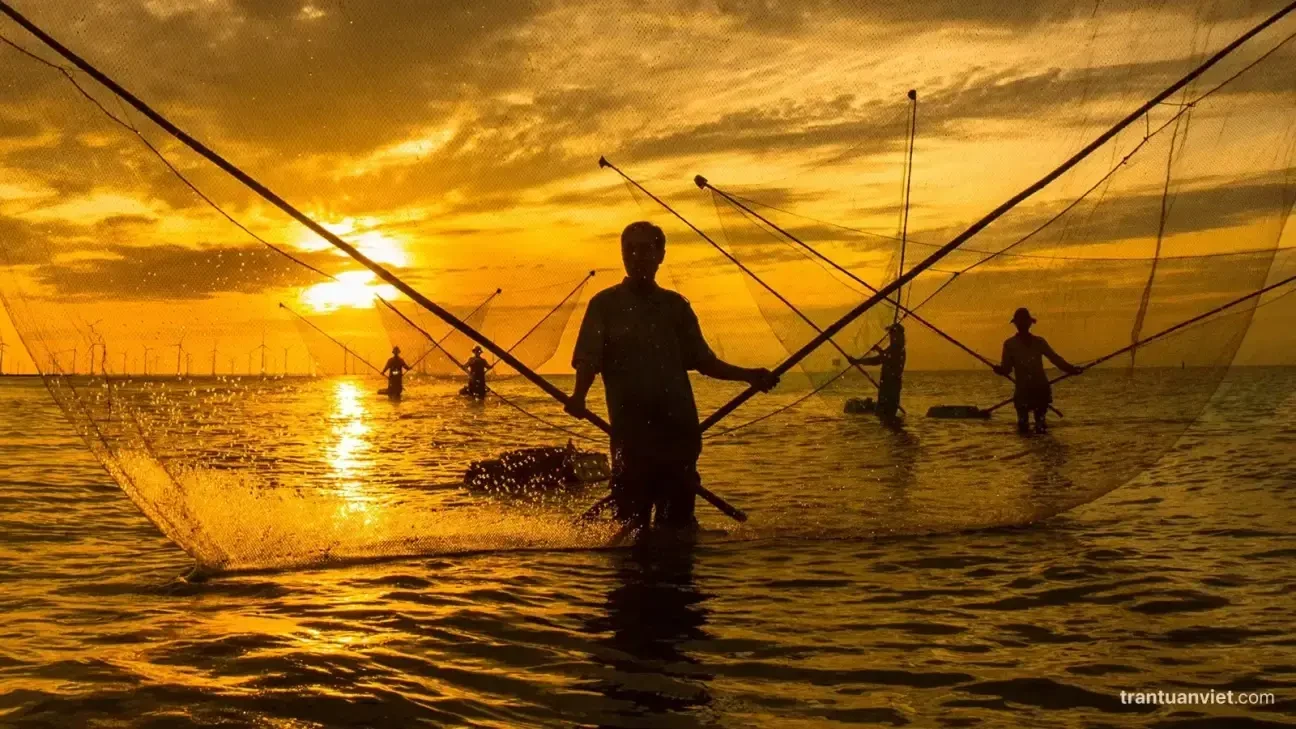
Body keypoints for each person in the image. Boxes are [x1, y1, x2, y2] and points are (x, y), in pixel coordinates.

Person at [567, 221, 779, 531]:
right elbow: (588, 359)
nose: (638, 256)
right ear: (623, 255)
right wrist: (579, 397)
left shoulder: (675, 306)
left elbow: (705, 362)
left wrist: (749, 376)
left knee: (677, 524)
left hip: (678, 430)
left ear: (660, 255)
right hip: (631, 432)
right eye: (631, 250)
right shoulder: (604, 305)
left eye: (646, 249)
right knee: (630, 524)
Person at [993, 307, 1083, 434]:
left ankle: (1037, 449)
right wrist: (999, 370)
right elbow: (1006, 369)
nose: (1022, 325)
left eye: (1024, 322)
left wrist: (1071, 369)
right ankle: (1036, 450)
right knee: (1029, 426)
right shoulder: (1010, 344)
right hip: (1025, 390)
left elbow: (1055, 359)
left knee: (1033, 426)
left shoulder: (1037, 342)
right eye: (1020, 322)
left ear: (1029, 323)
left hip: (1039, 389)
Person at [849, 322, 906, 423]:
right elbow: (877, 360)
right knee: (883, 416)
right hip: (886, 386)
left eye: (893, 333)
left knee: (887, 414)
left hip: (892, 387)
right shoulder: (892, 348)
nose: (891, 336)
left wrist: (879, 350)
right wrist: (858, 361)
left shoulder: (899, 349)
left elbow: (887, 359)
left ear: (899, 335)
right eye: (890, 333)